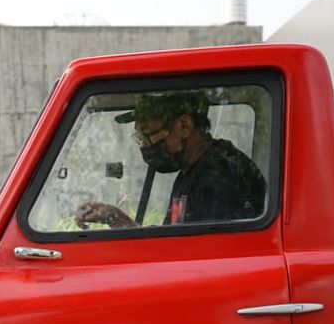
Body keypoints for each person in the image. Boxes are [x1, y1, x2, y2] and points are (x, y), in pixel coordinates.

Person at [75, 91, 266, 228]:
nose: (144, 146)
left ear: (184, 126)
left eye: (148, 135)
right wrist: (116, 218)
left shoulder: (222, 176)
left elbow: (202, 260)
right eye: (139, 139)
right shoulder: (190, 172)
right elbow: (172, 242)